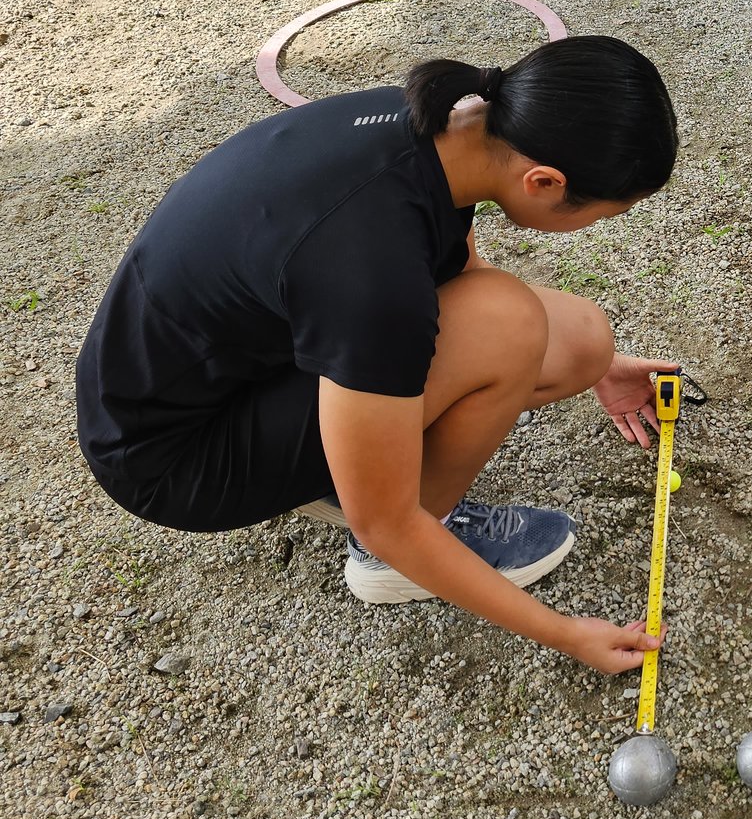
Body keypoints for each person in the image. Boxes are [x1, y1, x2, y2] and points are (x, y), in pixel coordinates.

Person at [75, 35, 684, 675]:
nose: (598, 226)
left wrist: (601, 369)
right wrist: (564, 634)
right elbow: (384, 517)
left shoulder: (441, 122)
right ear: (544, 181)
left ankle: (349, 466)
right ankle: (399, 557)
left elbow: (452, 269)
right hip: (175, 455)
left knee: (581, 340)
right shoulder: (372, 272)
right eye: (604, 215)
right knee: (506, 326)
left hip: (215, 369)